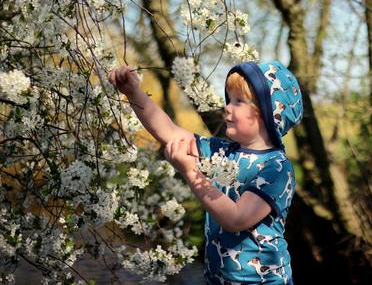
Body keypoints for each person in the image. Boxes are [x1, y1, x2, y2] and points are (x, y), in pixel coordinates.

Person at [108, 60, 303, 284]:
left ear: (267, 115)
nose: (228, 106)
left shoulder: (276, 168)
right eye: (229, 99)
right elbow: (171, 133)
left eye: (239, 101)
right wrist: (134, 93)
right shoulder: (223, 151)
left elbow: (237, 218)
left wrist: (191, 172)